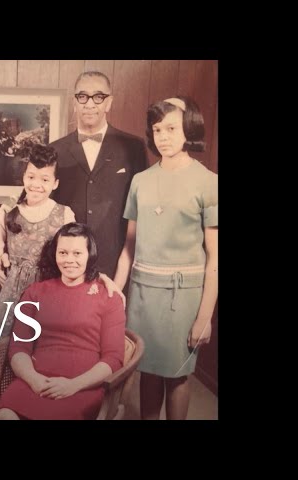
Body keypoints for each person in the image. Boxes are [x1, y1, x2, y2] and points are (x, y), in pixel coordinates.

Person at [114, 96, 218, 420]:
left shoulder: (208, 182)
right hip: (143, 294)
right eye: (157, 129)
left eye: (171, 128)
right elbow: (129, 246)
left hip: (182, 297)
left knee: (177, 376)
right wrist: (116, 291)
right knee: (147, 370)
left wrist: (205, 317)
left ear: (189, 128)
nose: (163, 136)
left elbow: (215, 258)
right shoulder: (140, 181)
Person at [0, 144, 122, 346]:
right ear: (23, 177)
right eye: (31, 177)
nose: (36, 184)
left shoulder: (64, 214)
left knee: (46, 352)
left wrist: (103, 278)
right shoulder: (5, 212)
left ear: (55, 184)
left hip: (50, 299)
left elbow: (77, 258)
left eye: (45, 179)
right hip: (11, 301)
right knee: (0, 354)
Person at [0, 223, 126, 420]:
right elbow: (19, 347)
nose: (69, 260)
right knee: (4, 415)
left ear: (89, 255)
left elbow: (113, 359)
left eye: (77, 253)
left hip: (82, 386)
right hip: (37, 380)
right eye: (63, 253)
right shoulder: (35, 292)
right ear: (54, 254)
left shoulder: (108, 297)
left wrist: (73, 385)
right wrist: (34, 380)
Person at [48, 71, 148, 279]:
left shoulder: (133, 147)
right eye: (82, 96)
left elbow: (142, 206)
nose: (89, 104)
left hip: (116, 262)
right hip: (67, 264)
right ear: (74, 102)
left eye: (98, 97)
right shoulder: (54, 150)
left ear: (109, 103)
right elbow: (35, 199)